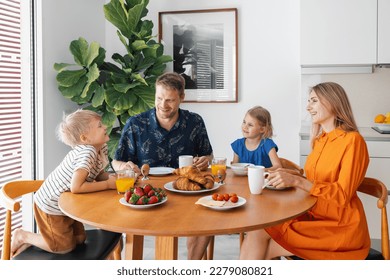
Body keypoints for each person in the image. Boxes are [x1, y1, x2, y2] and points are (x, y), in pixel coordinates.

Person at [240, 82, 370, 260]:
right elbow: (314, 180)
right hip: (312, 214)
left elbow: (342, 195)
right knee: (258, 230)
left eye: (314, 101)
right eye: (308, 101)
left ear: (332, 102)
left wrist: (297, 181)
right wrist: (288, 175)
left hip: (339, 226)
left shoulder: (352, 141)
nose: (308, 107)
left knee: (262, 244)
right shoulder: (320, 140)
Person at [112, 71, 213, 259]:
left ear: (182, 97)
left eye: (170, 100)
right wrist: (125, 167)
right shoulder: (136, 124)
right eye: (159, 98)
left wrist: (206, 159)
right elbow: (116, 161)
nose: (163, 105)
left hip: (185, 192)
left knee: (207, 217)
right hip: (147, 194)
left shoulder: (195, 122)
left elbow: (207, 154)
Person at [11, 109, 117, 256]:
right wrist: (107, 185)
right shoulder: (87, 153)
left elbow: (98, 173)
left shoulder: (100, 148)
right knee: (64, 248)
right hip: (50, 204)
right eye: (99, 126)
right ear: (85, 138)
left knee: (80, 239)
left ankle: (36, 243)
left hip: (68, 204)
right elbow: (76, 186)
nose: (105, 127)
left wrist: (112, 179)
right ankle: (24, 236)